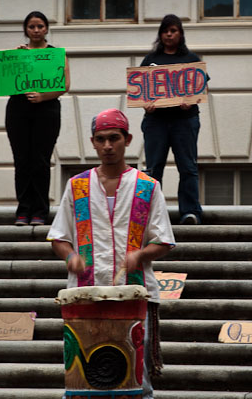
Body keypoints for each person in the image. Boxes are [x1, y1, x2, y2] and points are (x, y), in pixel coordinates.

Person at [48, 108, 175, 398]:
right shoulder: (76, 186)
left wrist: (141, 256)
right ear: (93, 142)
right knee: (85, 371)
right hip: (85, 294)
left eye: (114, 138)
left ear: (127, 139)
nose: (107, 146)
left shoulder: (148, 186)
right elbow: (58, 237)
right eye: (101, 139)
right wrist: (71, 258)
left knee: (135, 374)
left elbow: (165, 241)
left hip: (135, 293)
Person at [6, 11, 70, 226]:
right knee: (22, 161)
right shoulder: (18, 53)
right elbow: (6, 82)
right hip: (18, 111)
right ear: (26, 29)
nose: (36, 30)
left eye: (40, 26)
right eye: (32, 27)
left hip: (47, 111)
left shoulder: (55, 54)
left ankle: (40, 211)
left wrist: (43, 96)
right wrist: (15, 60)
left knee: (40, 161)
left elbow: (64, 85)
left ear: (46, 29)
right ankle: (23, 210)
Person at [140, 14, 204, 225]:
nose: (169, 34)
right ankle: (152, 214)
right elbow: (140, 88)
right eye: (165, 31)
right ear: (160, 34)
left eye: (173, 30)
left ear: (180, 33)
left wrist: (191, 101)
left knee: (187, 167)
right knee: (153, 169)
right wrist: (146, 105)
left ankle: (190, 212)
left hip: (184, 121)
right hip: (156, 122)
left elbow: (201, 87)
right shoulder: (150, 60)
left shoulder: (192, 60)